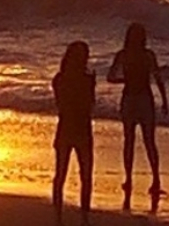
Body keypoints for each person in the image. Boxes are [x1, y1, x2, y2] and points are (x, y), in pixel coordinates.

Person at [107, 22, 168, 212]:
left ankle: (154, 178)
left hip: (139, 98)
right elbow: (110, 77)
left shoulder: (136, 55)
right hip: (134, 98)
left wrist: (165, 100)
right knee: (133, 141)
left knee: (145, 141)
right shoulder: (132, 55)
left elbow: (158, 78)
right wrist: (125, 80)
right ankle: (132, 177)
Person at [52, 40, 96, 226]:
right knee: (85, 174)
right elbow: (89, 105)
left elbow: (61, 104)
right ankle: (84, 215)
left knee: (62, 173)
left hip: (67, 126)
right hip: (81, 127)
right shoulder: (85, 79)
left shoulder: (59, 79)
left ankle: (58, 215)